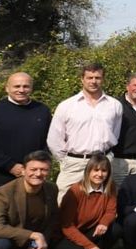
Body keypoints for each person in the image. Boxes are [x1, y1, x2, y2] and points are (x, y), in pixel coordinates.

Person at [0, 71, 51, 226]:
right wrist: (11, 166)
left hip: (31, 175)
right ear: (7, 88)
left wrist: (36, 168)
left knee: (27, 217)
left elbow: (48, 142)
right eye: (16, 86)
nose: (21, 90)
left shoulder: (42, 110)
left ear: (32, 88)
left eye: (26, 86)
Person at [47, 62, 123, 202]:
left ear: (103, 79)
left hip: (103, 162)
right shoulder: (66, 106)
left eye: (97, 78)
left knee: (101, 202)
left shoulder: (114, 105)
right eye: (89, 77)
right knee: (63, 201)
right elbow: (54, 139)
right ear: (82, 79)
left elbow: (114, 134)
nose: (93, 81)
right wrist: (65, 160)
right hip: (75, 163)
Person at [51, 153, 119, 249]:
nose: (100, 174)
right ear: (88, 171)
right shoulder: (76, 191)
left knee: (115, 229)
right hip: (64, 236)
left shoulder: (110, 187)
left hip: (86, 231)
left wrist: (104, 223)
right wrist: (89, 245)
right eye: (96, 170)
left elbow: (110, 211)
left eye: (104, 171)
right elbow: (67, 226)